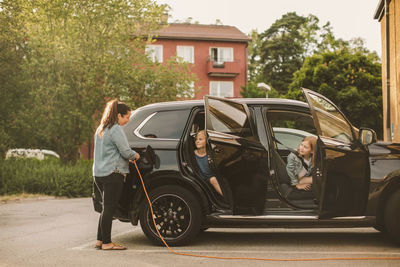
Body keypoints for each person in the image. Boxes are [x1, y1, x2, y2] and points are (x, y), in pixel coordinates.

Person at [93, 99, 140, 250]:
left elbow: (109, 152)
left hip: (98, 174)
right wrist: (136, 156)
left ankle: (100, 240)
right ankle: (107, 243)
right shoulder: (115, 129)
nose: (128, 120)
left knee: (105, 208)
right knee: (109, 209)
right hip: (113, 173)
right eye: (126, 117)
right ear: (118, 115)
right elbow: (126, 152)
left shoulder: (101, 128)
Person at [194, 130, 223, 196]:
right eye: (196, 139)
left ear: (207, 140)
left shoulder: (211, 153)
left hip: (212, 177)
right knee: (213, 180)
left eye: (200, 139)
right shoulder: (192, 155)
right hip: (201, 179)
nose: (197, 141)